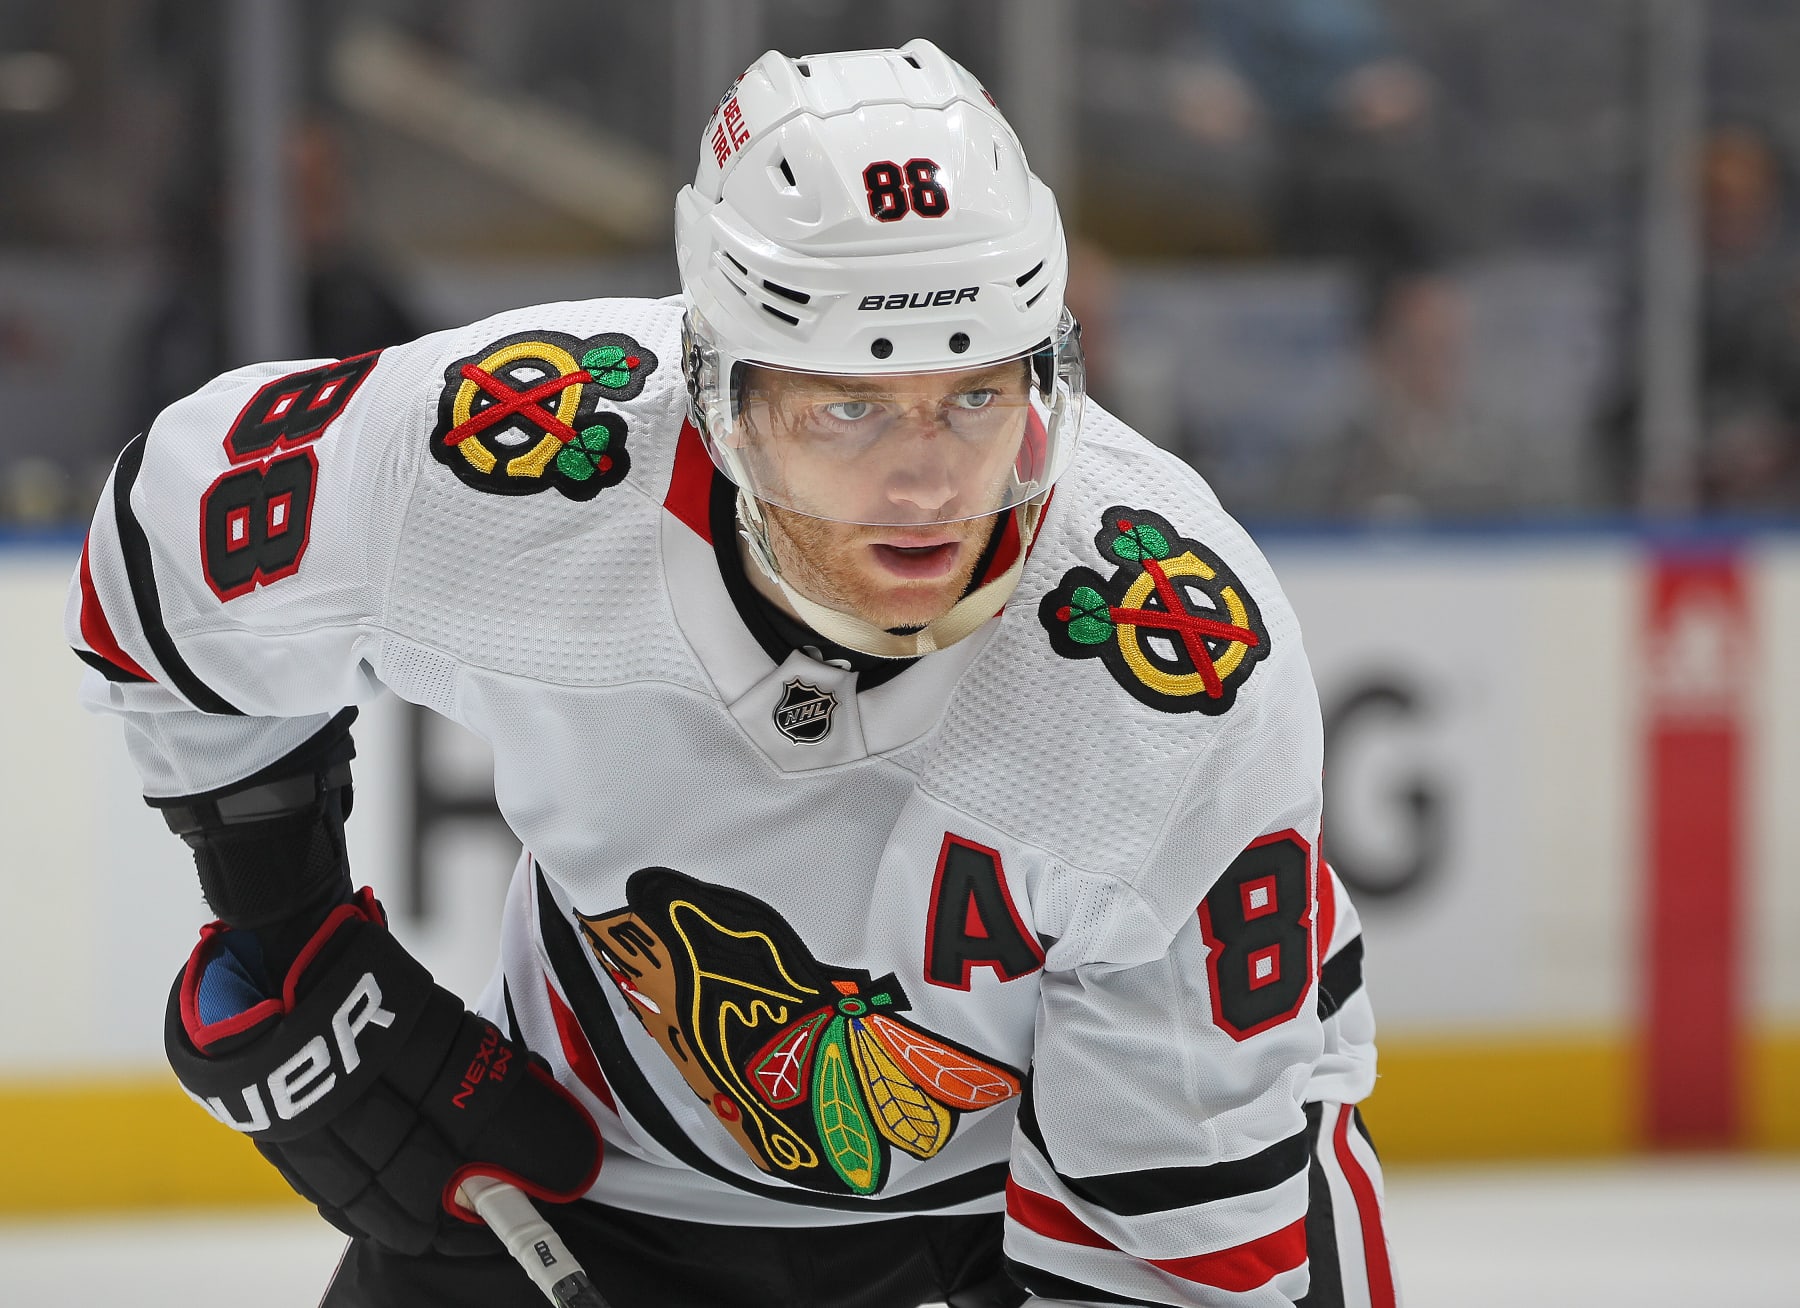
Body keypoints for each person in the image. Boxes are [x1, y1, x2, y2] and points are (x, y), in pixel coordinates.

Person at [68, 41, 1391, 1308]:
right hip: (583, 1168)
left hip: (1041, 1210)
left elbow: (1173, 1250)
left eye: (973, 395)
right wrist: (286, 933)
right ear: (719, 387)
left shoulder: (1170, 670)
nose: (928, 482)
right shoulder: (521, 451)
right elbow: (166, 542)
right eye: (848, 408)